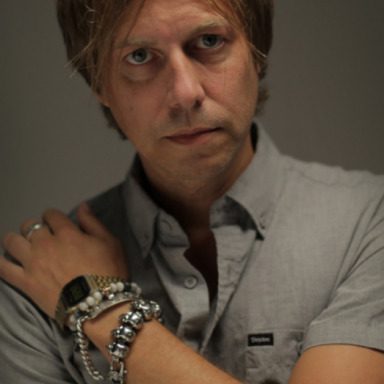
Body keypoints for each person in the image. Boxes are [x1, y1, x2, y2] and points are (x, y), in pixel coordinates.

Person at [0, 0, 383, 383]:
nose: (185, 93)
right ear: (99, 83)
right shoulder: (36, 279)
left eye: (210, 40)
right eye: (138, 56)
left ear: (257, 50)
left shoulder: (369, 224)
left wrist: (102, 308)